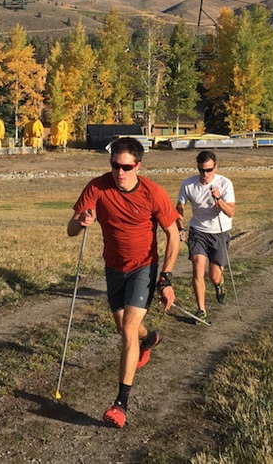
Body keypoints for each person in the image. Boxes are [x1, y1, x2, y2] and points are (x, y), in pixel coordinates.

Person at [68, 137, 180, 429]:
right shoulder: (97, 187)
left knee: (127, 328)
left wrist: (165, 278)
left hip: (144, 266)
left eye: (126, 167)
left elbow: (173, 235)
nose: (119, 172)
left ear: (138, 166)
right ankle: (149, 339)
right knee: (124, 328)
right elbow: (70, 229)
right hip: (113, 268)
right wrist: (81, 222)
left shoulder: (153, 193)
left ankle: (120, 404)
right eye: (115, 165)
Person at [176, 150, 235, 322]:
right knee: (197, 266)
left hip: (219, 232)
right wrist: (181, 227)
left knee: (214, 275)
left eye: (209, 170)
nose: (205, 174)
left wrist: (219, 199)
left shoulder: (225, 183)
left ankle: (219, 284)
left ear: (215, 167)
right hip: (198, 231)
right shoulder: (188, 184)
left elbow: (231, 212)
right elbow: (179, 207)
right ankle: (201, 310)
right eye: (202, 170)